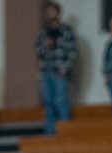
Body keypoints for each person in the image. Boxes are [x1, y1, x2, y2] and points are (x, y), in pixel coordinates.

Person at [35, 2, 77, 134]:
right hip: (46, 70)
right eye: (48, 12)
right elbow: (37, 50)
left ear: (58, 13)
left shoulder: (66, 30)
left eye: (53, 11)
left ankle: (65, 131)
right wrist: (45, 45)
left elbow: (72, 52)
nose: (50, 14)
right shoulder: (43, 31)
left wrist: (64, 68)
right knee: (48, 103)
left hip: (60, 71)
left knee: (61, 101)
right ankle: (50, 132)